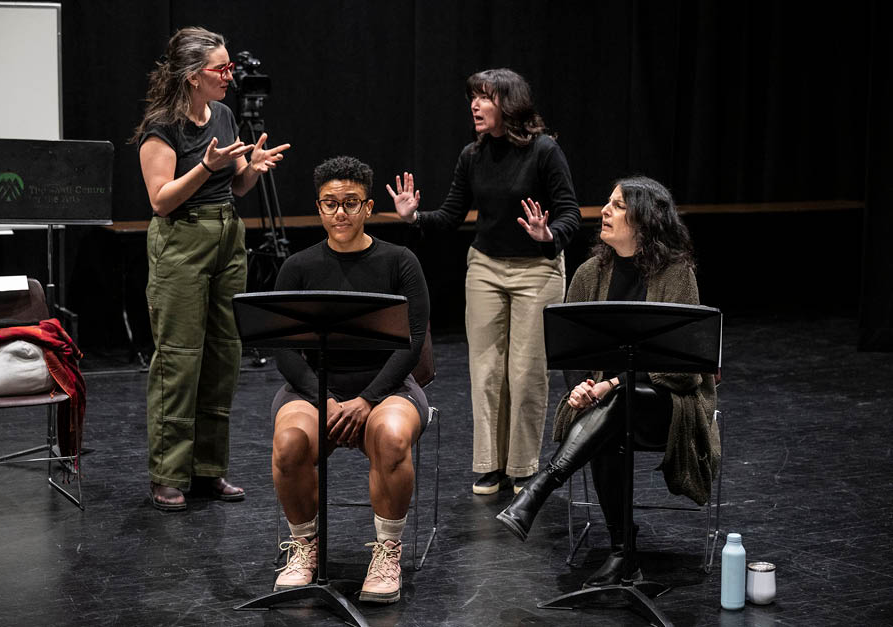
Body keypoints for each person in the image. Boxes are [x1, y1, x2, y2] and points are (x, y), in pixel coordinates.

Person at [495, 176, 720, 587]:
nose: (605, 211)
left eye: (617, 205)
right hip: (608, 406)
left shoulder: (676, 274)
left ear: (644, 219)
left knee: (623, 397)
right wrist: (580, 385)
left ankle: (540, 489)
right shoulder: (589, 272)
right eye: (608, 203)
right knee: (609, 421)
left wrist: (610, 383)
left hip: (669, 405)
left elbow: (683, 370)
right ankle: (622, 552)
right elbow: (571, 348)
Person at [388, 68, 580, 495]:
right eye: (472, 97)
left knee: (526, 372)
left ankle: (524, 466)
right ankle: (490, 464)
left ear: (509, 104)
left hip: (538, 269)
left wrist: (549, 234)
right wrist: (414, 217)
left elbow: (570, 212)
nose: (474, 105)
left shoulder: (545, 151)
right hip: (487, 269)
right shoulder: (472, 156)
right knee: (487, 370)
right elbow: (452, 216)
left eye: (485, 98)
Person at [132, 26, 291, 511]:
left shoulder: (222, 114)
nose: (229, 76)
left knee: (224, 354)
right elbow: (160, 201)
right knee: (179, 359)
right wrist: (204, 166)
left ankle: (208, 469)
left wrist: (251, 167)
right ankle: (168, 472)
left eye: (229, 67)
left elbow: (236, 186)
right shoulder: (161, 128)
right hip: (181, 239)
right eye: (220, 69)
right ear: (190, 75)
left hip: (226, 235)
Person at [270, 156, 430, 604]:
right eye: (330, 203)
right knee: (288, 443)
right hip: (314, 389)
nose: (340, 213)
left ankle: (387, 553)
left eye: (351, 203)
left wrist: (367, 399)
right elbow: (282, 347)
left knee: (393, 437)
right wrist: (324, 400)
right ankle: (304, 546)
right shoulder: (298, 266)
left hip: (388, 386)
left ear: (368, 206)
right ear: (319, 208)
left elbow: (412, 343)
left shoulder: (400, 261)